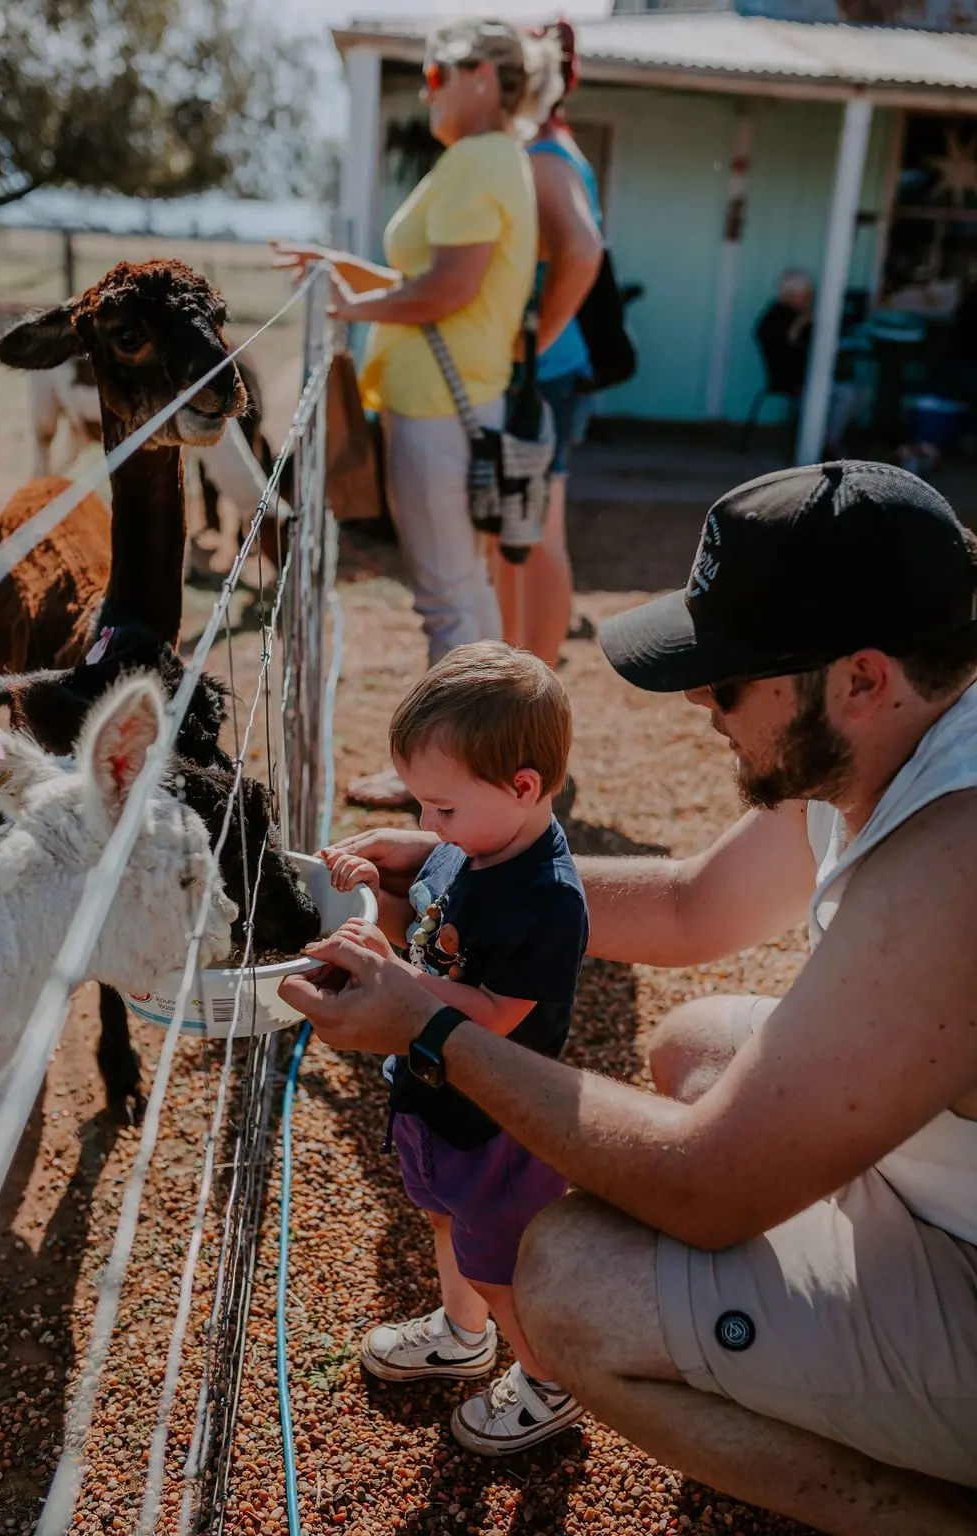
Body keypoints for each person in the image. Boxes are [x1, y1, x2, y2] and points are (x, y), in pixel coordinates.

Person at [282, 461, 977, 1530]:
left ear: (862, 677)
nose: (699, 701)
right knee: (698, 1043)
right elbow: (696, 909)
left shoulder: (950, 860)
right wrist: (454, 863)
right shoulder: (898, 735)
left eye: (727, 677)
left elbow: (709, 1189)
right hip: (942, 1195)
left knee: (567, 1281)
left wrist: (425, 1022)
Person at [318, 641, 589, 1454]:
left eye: (440, 808)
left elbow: (498, 1013)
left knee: (499, 1262)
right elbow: (434, 929)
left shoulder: (545, 898)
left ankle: (548, 1383)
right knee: (445, 1222)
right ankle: (462, 1335)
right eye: (419, 807)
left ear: (523, 788)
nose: (427, 826)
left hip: (496, 1115)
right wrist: (390, 878)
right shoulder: (472, 844)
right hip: (434, 1090)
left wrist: (393, 974)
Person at [274, 18, 538, 809]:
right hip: (453, 403)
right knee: (465, 590)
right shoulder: (498, 161)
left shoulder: (474, 161)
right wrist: (347, 272)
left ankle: (448, 769)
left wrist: (354, 301)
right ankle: (486, 746)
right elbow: (431, 276)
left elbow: (449, 290)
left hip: (433, 410)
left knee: (446, 597)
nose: (427, 87)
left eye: (435, 74)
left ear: (483, 76)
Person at [492, 21, 603, 668]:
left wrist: (529, 347)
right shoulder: (560, 148)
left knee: (529, 539)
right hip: (556, 372)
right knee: (536, 534)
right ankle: (532, 681)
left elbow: (583, 253)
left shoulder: (540, 155)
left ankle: (525, 683)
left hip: (541, 376)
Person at [755, 268, 868, 456]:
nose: (809, 298)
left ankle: (826, 440)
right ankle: (825, 444)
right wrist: (800, 325)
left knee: (861, 393)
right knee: (845, 394)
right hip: (791, 379)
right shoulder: (774, 317)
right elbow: (786, 348)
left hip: (814, 375)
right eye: (805, 294)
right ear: (790, 294)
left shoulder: (804, 315)